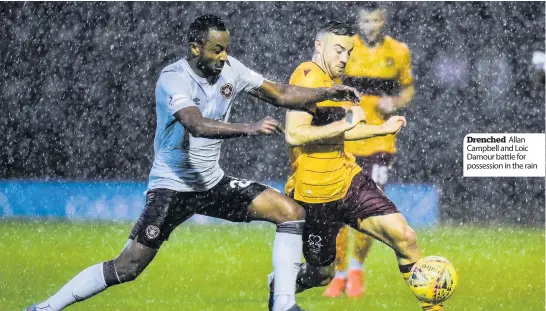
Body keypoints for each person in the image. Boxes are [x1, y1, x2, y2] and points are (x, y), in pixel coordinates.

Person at [25, 15, 361, 311]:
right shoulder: (174, 78)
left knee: (290, 212)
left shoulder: (232, 69)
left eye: (226, 48)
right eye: (217, 49)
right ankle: (46, 307)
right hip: (171, 188)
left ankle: (284, 303)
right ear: (194, 47)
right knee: (127, 267)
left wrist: (327, 93)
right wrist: (250, 128)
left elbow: (282, 94)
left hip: (212, 184)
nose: (224, 56)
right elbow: (195, 123)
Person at [269, 20, 444, 311]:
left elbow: (344, 130)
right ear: (318, 46)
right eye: (338, 50)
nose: (344, 58)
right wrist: (344, 123)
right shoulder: (307, 77)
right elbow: (295, 134)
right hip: (315, 193)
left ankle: (433, 307)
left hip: (348, 180)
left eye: (348, 52)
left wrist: (381, 129)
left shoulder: (334, 85)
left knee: (404, 236)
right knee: (321, 275)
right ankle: (282, 283)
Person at [324, 3, 415, 299]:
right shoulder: (347, 49)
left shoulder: (398, 51)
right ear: (359, 21)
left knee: (370, 209)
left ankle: (356, 269)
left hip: (380, 142)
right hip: (349, 138)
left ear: (383, 21)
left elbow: (408, 89)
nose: (371, 25)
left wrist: (396, 102)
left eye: (376, 20)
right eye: (366, 20)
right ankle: (338, 274)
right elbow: (331, 83)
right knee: (338, 209)